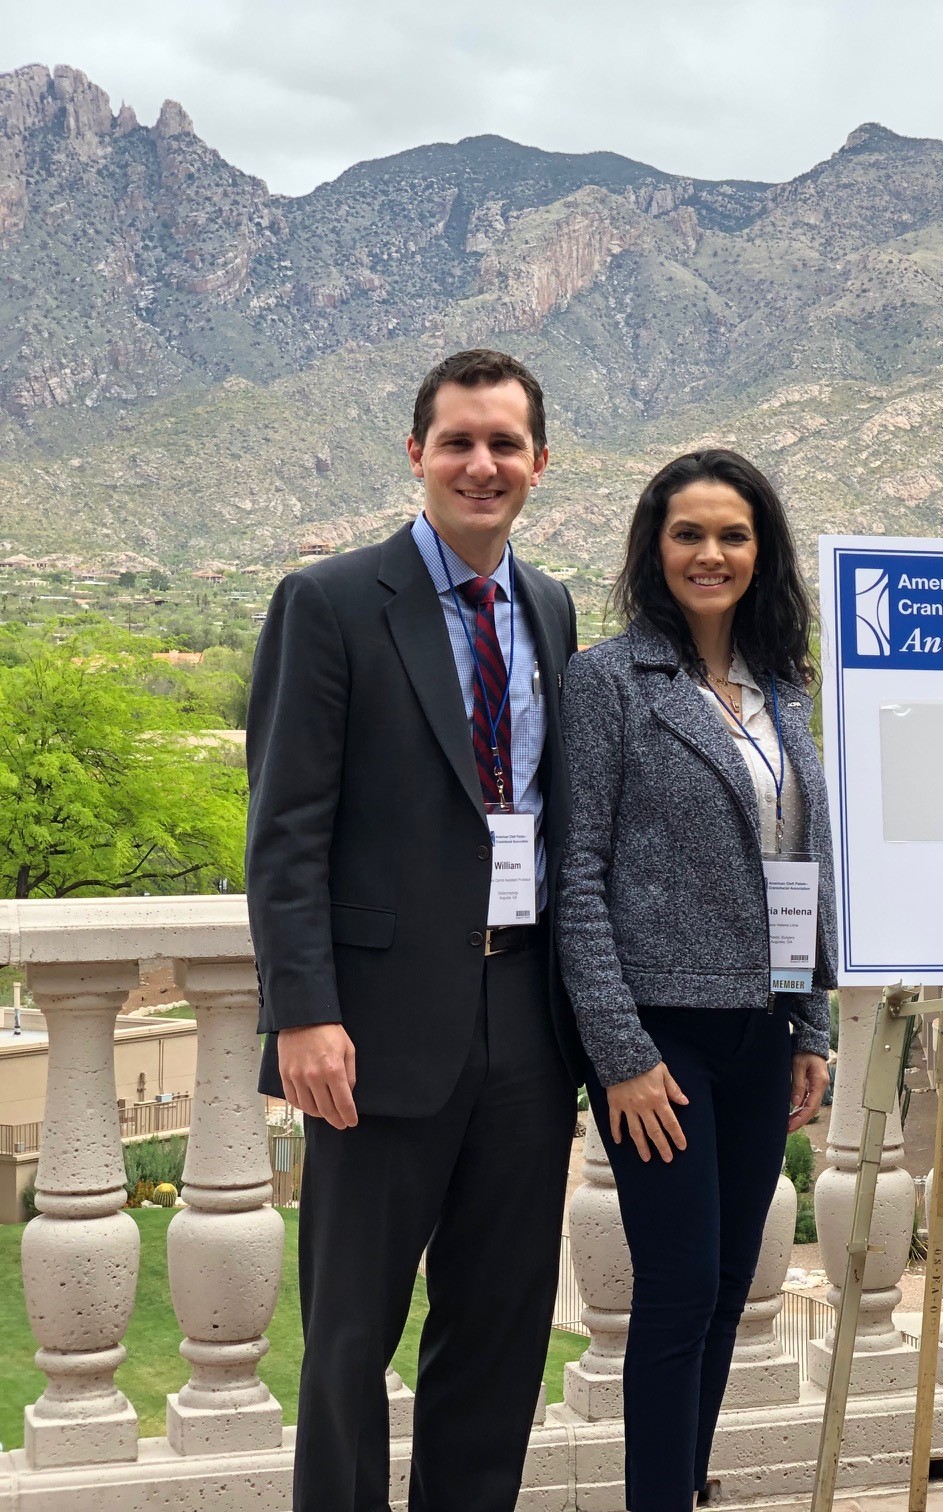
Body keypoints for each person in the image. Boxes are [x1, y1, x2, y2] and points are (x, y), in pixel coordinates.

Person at [246, 348, 586, 1511]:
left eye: (504, 444)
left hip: (526, 1019)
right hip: (375, 1030)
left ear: (540, 462)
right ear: (417, 454)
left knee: (499, 1330)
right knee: (351, 1338)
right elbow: (285, 830)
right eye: (458, 442)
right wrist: (304, 1011)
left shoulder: (550, 607)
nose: (481, 464)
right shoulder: (332, 602)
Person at [558, 448, 835, 1512]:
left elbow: (802, 863)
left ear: (761, 553)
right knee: (675, 1291)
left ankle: (681, 1490)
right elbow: (579, 876)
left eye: (732, 535)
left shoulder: (784, 689)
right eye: (689, 534)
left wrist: (811, 1025)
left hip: (763, 1028)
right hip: (660, 1037)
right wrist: (619, 1054)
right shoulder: (608, 682)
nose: (710, 554)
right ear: (655, 549)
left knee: (726, 1286)